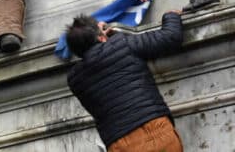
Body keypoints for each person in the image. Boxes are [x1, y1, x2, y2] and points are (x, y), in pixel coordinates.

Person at [65, 12, 183, 152]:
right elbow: (171, 37)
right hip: (155, 131)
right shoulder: (124, 44)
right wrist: (171, 15)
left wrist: (102, 37)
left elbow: (103, 57)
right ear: (101, 37)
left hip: (119, 144)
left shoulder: (74, 80)